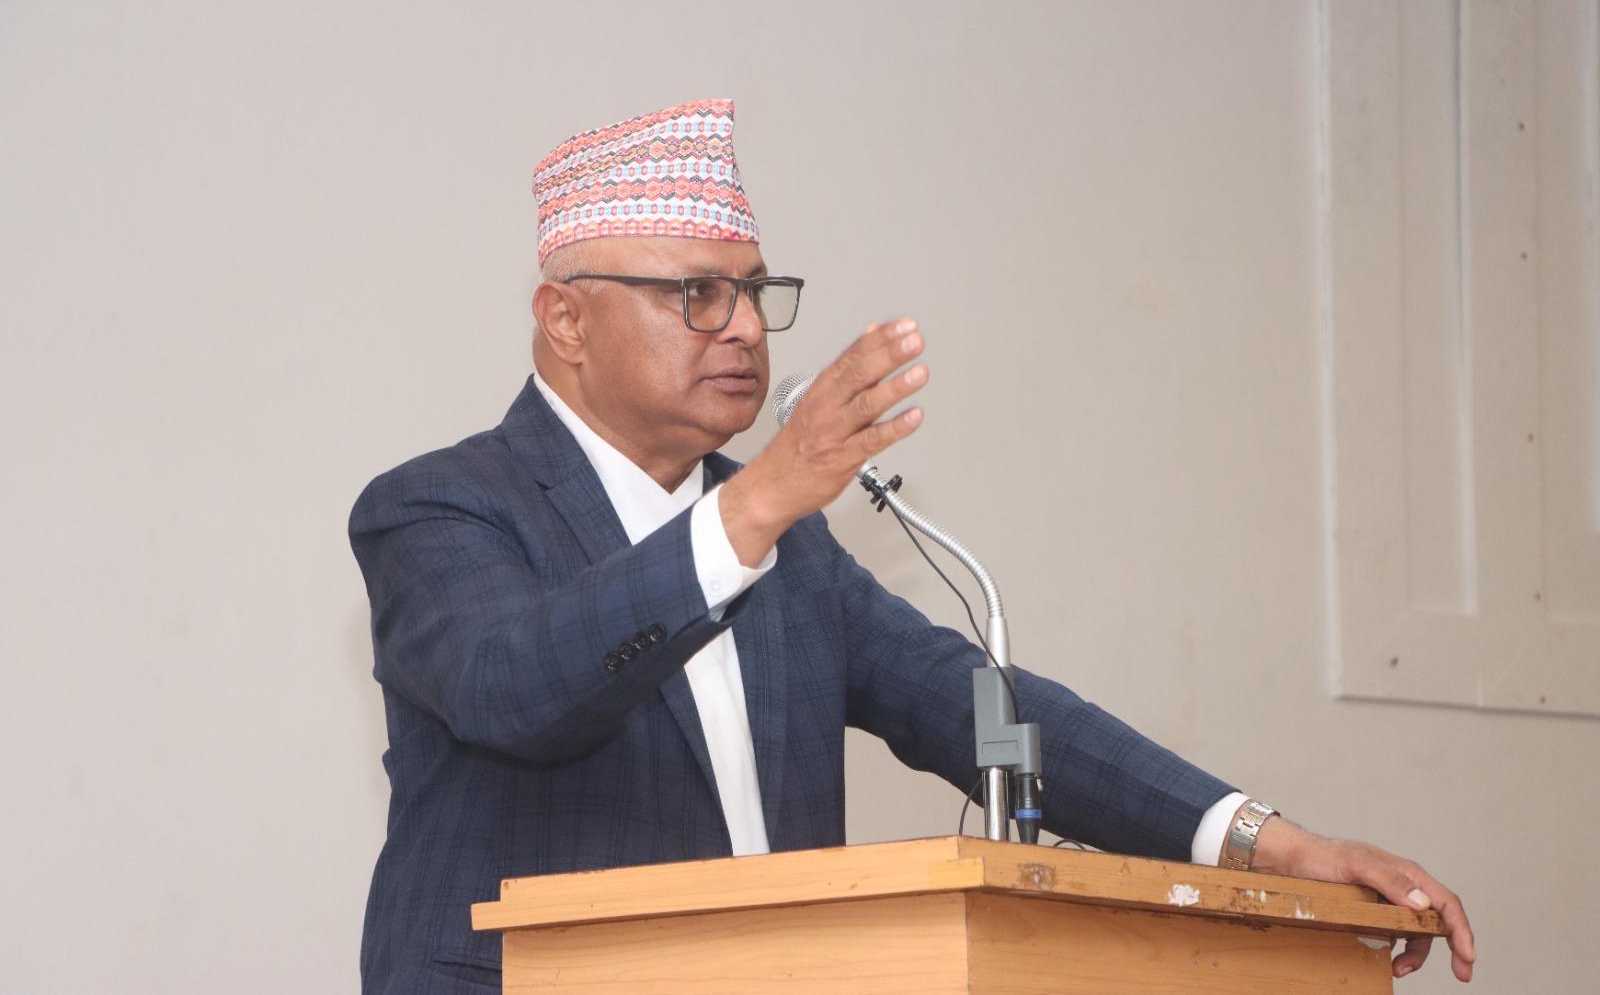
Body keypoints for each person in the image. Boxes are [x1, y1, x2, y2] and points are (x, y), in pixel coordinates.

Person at [350, 99, 1474, 994]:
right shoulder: (439, 509)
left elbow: (983, 713)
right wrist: (759, 502)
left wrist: (1272, 847)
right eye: (697, 293)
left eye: (755, 292)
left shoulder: (787, 546)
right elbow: (516, 689)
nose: (744, 327)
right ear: (565, 320)